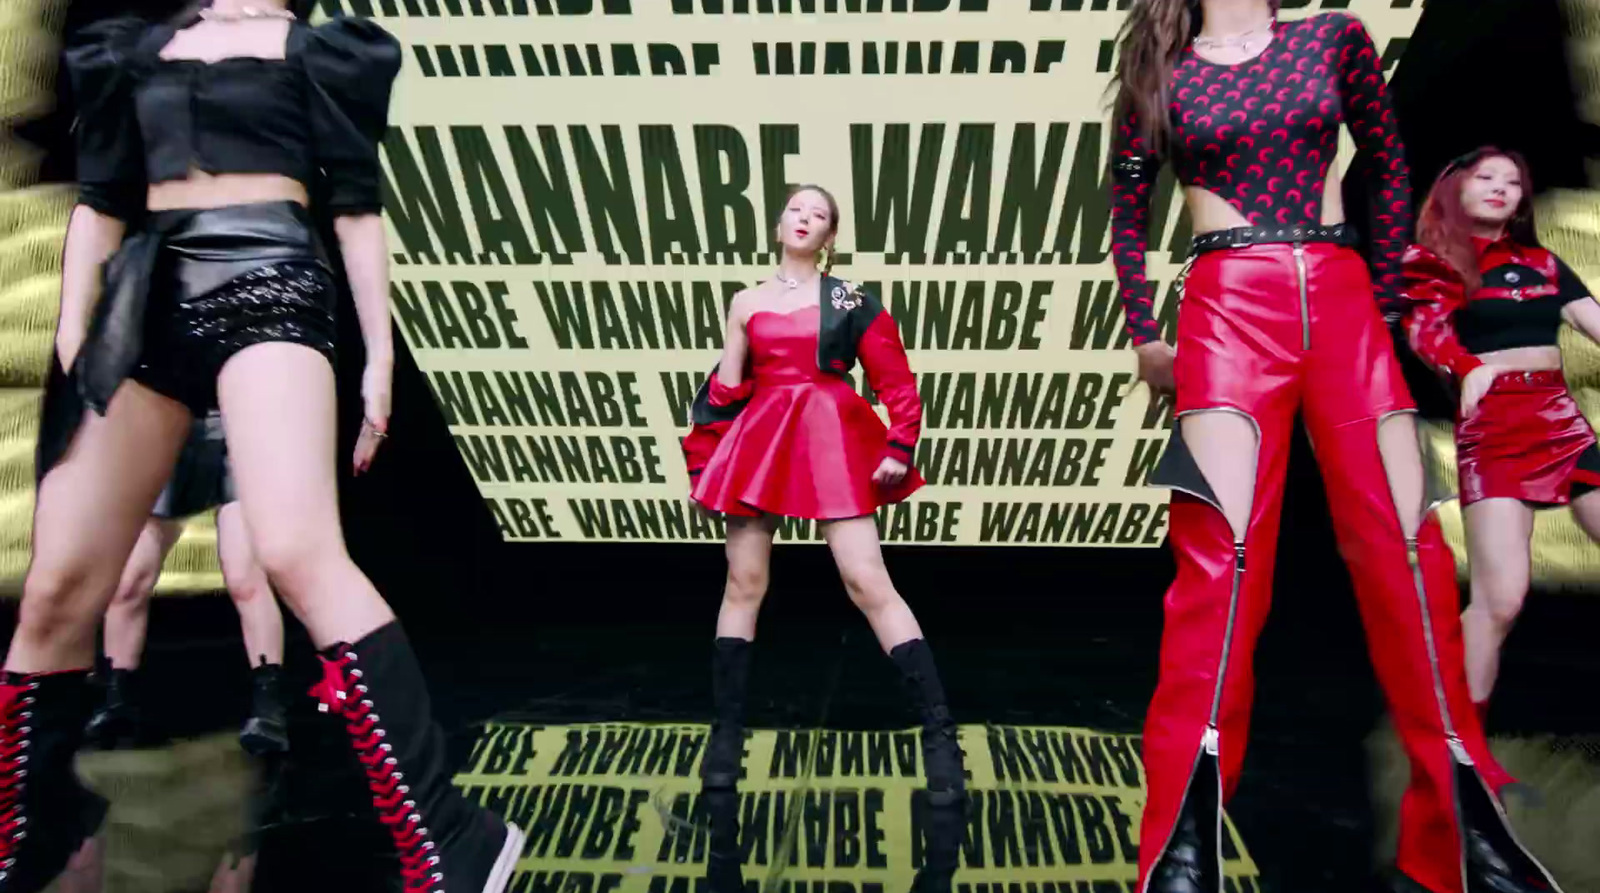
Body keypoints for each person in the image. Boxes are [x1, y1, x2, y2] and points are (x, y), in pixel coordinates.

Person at [0, 2, 524, 892]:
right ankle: (38, 827)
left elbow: (356, 209)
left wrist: (379, 363)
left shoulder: (321, 51)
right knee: (58, 585)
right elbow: (100, 201)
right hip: (145, 293)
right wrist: (74, 336)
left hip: (271, 280)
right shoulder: (130, 49)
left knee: (294, 551)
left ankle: (455, 838)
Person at [1108, 2, 1562, 892]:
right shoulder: (1160, 67)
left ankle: (1465, 833)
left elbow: (1390, 166)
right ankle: (1181, 844)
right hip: (1228, 302)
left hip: (1342, 290)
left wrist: (1390, 304)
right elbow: (1127, 208)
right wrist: (1143, 332)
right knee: (1222, 562)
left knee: (1407, 552)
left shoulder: (1332, 38)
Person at [682, 184, 966, 806]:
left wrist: (898, 447)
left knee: (868, 582)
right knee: (743, 584)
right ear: (779, 223)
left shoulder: (851, 301)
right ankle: (724, 739)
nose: (805, 219)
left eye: (819, 214)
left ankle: (941, 737)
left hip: (833, 437)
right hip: (761, 438)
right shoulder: (746, 302)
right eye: (796, 210)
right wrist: (705, 466)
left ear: (830, 236)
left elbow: (897, 383)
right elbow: (726, 390)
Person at [1403, 146, 1600, 723]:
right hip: (1495, 430)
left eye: (1512, 182)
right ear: (1454, 189)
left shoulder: (1544, 264)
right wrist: (1469, 369)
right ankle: (1457, 725)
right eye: (1485, 177)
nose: (1500, 188)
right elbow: (1426, 332)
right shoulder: (1432, 261)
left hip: (1559, 423)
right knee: (1502, 597)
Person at [83, 412, 289, 756]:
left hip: (235, 421)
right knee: (129, 581)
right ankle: (115, 699)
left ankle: (269, 703)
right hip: (169, 419)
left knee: (245, 578)